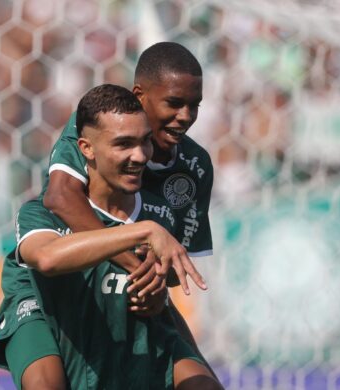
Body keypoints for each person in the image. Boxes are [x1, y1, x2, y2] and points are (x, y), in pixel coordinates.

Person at [0, 84, 221, 389]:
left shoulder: (160, 213)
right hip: (48, 315)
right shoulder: (43, 211)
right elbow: (46, 258)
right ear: (86, 148)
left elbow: (170, 282)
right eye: (123, 144)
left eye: (145, 142)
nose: (139, 156)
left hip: (119, 320)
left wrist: (158, 287)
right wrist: (143, 232)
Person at [43, 41, 214, 363]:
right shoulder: (97, 122)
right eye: (175, 103)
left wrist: (156, 282)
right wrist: (137, 266)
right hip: (72, 289)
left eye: (195, 105)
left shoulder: (196, 165)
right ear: (140, 95)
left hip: (140, 297)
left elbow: (179, 266)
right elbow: (61, 197)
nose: (186, 116)